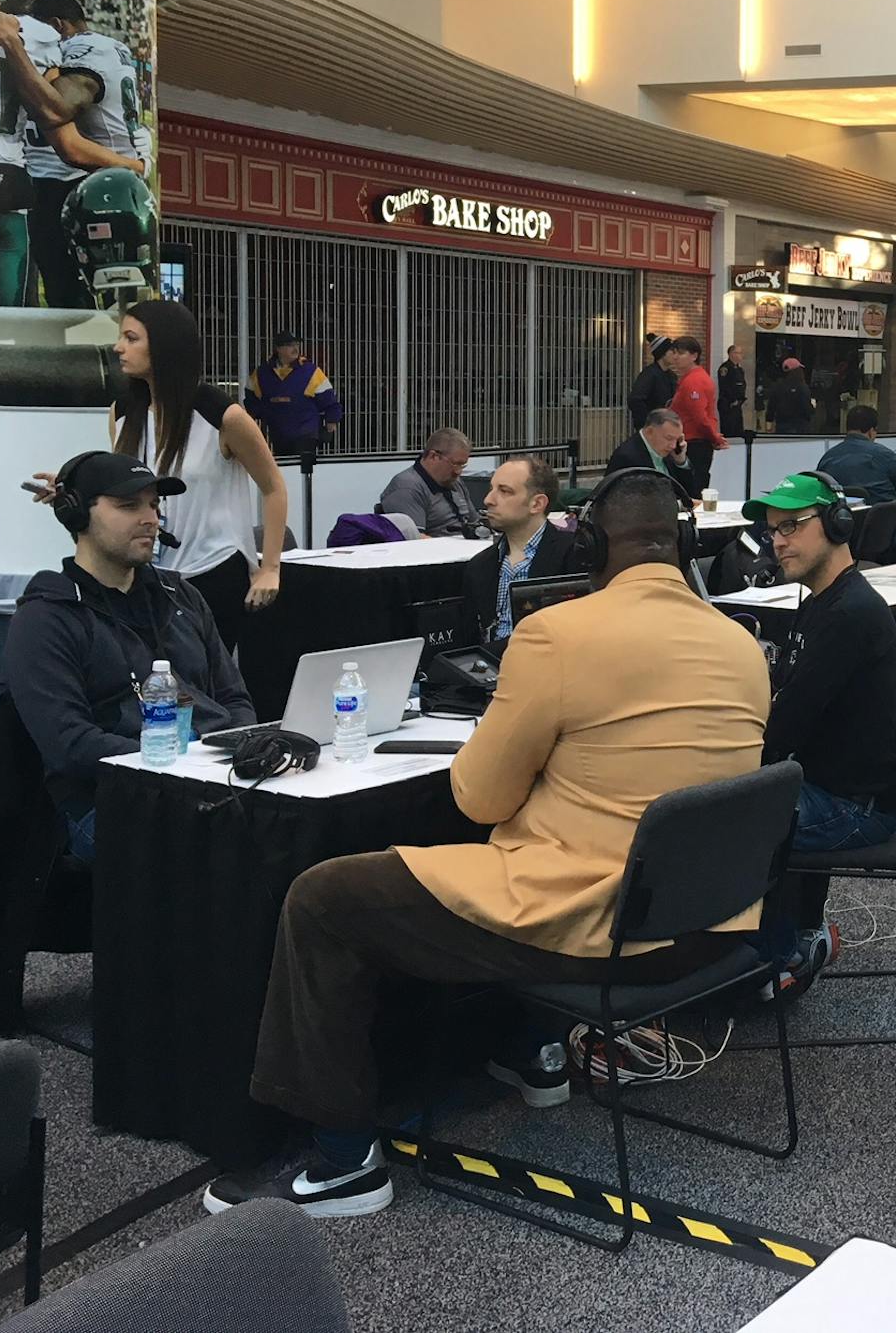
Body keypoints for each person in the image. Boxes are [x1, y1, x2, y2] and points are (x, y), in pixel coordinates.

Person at [206, 471, 769, 1218]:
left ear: (589, 545)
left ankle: (343, 1163)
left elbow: (478, 799)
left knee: (323, 900)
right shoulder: (741, 644)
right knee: (529, 846)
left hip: (606, 929)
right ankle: (533, 1052)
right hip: (712, 927)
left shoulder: (556, 634)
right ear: (684, 544)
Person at [6, 452, 256, 861]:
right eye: (128, 506)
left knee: (295, 827)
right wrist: (182, 760)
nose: (150, 519)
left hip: (211, 783)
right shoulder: (46, 618)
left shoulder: (181, 597)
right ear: (77, 515)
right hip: (110, 803)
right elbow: (70, 745)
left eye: (154, 505)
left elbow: (235, 700)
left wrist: (238, 749)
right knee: (236, 847)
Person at [34, 300, 290, 650]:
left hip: (213, 571)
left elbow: (273, 487)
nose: (118, 348)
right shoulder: (123, 412)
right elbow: (125, 487)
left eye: (131, 338)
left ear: (164, 344)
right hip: (146, 574)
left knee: (202, 675)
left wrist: (270, 568)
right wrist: (70, 489)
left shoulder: (222, 415)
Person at [745, 471, 896, 989]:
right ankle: (799, 932)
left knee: (725, 822)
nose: (778, 541)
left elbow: (782, 733)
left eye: (791, 526)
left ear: (837, 525)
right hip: (834, 784)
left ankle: (780, 962)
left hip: (856, 806)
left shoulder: (848, 614)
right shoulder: (822, 601)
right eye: (773, 530)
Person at [0, 0, 146, 309]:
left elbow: (63, 123)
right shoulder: (99, 48)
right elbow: (66, 135)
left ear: (56, 25)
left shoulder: (72, 49)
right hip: (63, 182)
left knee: (65, 295)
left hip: (66, 185)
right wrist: (137, 163)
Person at [455, 455, 576, 645]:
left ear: (537, 504)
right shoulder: (480, 566)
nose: (488, 500)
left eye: (504, 491)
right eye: (491, 489)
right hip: (490, 660)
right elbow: (468, 640)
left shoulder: (573, 555)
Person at [818, 405, 896, 561]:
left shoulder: (827, 457)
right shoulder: (883, 454)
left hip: (843, 530)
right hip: (883, 529)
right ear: (871, 431)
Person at [244, 329, 343, 459]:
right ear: (278, 348)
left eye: (297, 344)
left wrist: (332, 420)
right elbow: (250, 399)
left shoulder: (310, 371)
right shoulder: (262, 373)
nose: (295, 348)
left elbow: (329, 399)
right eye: (290, 345)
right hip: (277, 434)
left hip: (306, 434)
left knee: (302, 466)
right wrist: (262, 413)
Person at [379, 427, 480, 537]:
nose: (458, 471)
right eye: (455, 464)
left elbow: (475, 523)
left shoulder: (455, 482)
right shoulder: (406, 489)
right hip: (437, 546)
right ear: (433, 456)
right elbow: (414, 538)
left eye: (463, 465)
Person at [664, 337, 727, 493]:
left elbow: (699, 416)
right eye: (674, 352)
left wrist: (714, 437)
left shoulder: (694, 381)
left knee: (691, 487)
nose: (676, 357)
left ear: (694, 355)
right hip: (690, 441)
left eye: (681, 353)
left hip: (693, 443)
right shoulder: (690, 378)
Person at [607, 407, 701, 505]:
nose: (673, 445)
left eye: (677, 439)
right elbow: (634, 504)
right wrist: (680, 505)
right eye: (669, 438)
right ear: (649, 432)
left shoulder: (667, 451)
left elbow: (691, 493)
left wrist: (680, 461)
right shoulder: (627, 457)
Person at [626, 337, 685, 434]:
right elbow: (635, 399)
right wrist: (647, 423)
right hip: (652, 429)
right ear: (662, 353)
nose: (675, 356)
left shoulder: (672, 376)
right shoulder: (649, 374)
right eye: (672, 351)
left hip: (667, 427)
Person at [767, 357, 815, 435]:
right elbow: (807, 409)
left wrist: (769, 427)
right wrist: (813, 406)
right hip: (800, 428)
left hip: (781, 427)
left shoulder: (777, 387)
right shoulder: (802, 387)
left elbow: (771, 408)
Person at [717, 343, 747, 439]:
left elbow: (742, 385)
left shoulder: (739, 369)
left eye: (741, 353)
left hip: (737, 404)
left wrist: (741, 399)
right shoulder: (725, 368)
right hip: (728, 404)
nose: (740, 355)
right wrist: (732, 400)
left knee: (738, 431)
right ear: (731, 354)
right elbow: (724, 386)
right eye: (737, 353)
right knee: (729, 430)